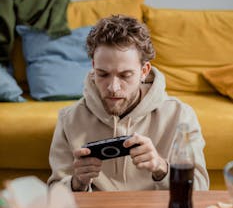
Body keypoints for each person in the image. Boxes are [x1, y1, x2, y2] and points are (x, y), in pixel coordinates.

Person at [48, 14, 209, 192]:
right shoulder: (69, 119)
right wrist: (77, 183)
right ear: (93, 67)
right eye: (102, 74)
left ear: (144, 71)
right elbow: (55, 192)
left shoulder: (180, 116)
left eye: (125, 75)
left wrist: (161, 168)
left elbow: (200, 190)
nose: (113, 88)